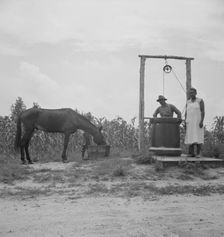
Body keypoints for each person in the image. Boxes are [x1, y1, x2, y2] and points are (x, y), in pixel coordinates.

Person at [184, 87, 205, 158]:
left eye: (192, 92)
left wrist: (201, 121)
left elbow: (203, 111)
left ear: (196, 93)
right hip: (190, 122)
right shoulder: (188, 102)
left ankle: (198, 153)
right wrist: (185, 121)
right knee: (190, 136)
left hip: (197, 121)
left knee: (198, 136)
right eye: (190, 93)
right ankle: (191, 153)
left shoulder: (200, 101)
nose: (191, 94)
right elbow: (186, 112)